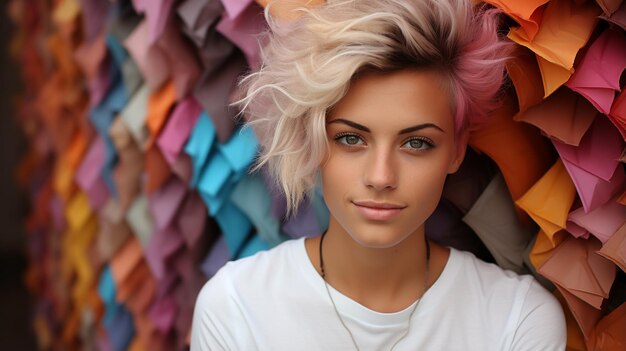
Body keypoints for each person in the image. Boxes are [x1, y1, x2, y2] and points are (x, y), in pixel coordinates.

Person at [190, 0, 567, 350]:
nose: (381, 176)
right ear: (313, 141)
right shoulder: (236, 307)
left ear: (456, 150)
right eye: (351, 138)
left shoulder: (518, 320)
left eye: (416, 143)